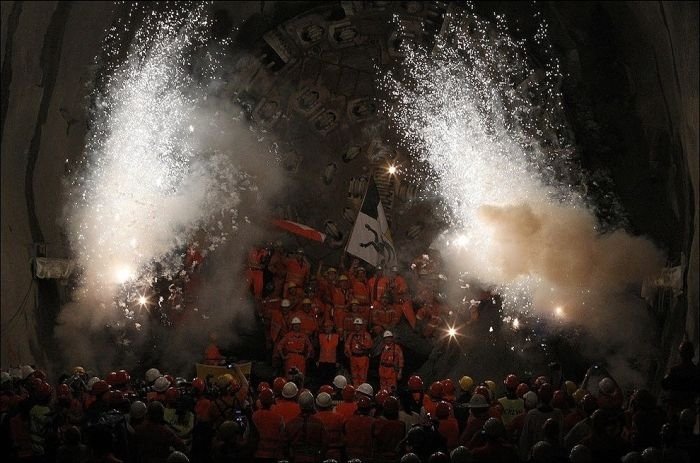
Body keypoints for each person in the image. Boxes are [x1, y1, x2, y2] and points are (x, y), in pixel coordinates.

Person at [285, 391, 327, 462]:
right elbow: (325, 444)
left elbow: (284, 445)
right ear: (312, 404)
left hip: (296, 458)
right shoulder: (319, 423)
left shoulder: (291, 424)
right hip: (314, 458)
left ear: (299, 404)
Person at [661, 340, 700, 417]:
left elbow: (664, 384)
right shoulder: (696, 372)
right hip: (689, 407)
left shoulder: (674, 370)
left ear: (681, 354)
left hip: (675, 407)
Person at [251, 387, 285, 462]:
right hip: (273, 455)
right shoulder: (278, 418)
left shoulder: (254, 416)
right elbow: (282, 437)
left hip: (257, 454)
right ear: (272, 400)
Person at [314, 392, 345, 460]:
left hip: (319, 454)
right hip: (336, 453)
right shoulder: (340, 418)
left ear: (317, 405)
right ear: (330, 404)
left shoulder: (313, 419)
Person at [345, 396, 376, 460]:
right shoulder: (373, 422)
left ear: (358, 407)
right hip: (367, 455)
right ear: (369, 408)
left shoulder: (348, 420)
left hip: (350, 455)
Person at [344, 318, 373, 386]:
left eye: (358, 325)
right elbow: (347, 344)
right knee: (354, 375)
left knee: (362, 376)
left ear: (361, 326)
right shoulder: (351, 335)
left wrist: (361, 344)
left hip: (363, 357)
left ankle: (362, 390)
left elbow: (369, 345)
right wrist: (350, 353)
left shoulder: (366, 335)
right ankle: (355, 389)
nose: (357, 327)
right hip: (353, 357)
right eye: (356, 325)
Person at [317, 321, 340, 387]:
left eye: (328, 327)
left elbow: (339, 349)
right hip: (322, 361)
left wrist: (338, 361)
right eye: (325, 327)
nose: (327, 329)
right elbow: (318, 348)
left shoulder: (336, 336)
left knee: (331, 379)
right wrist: (317, 360)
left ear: (332, 328)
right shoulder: (320, 336)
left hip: (332, 361)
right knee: (322, 379)